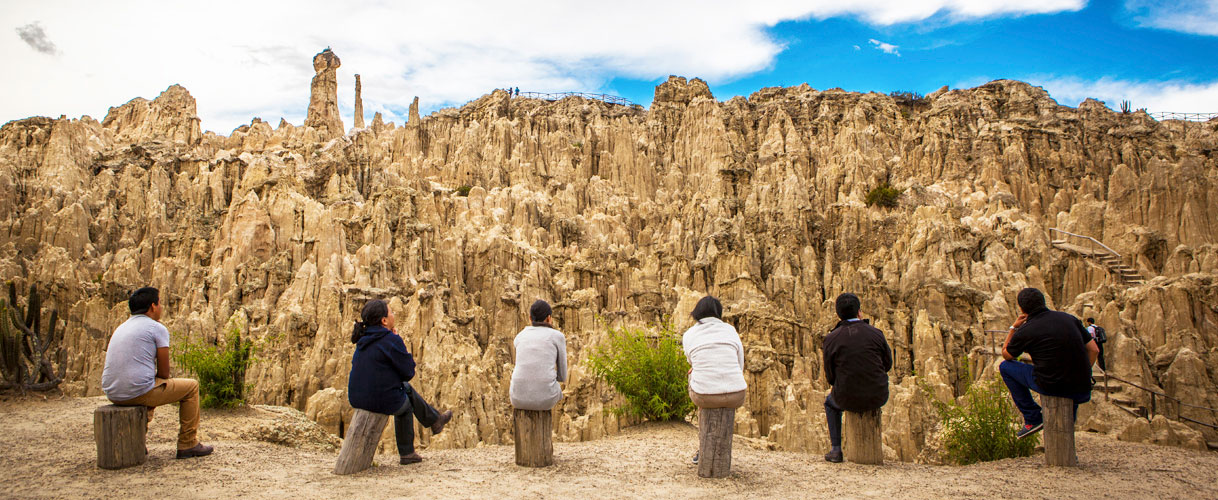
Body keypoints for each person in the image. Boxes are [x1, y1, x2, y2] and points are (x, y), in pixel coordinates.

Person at [101, 287, 213, 459]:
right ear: (153, 306)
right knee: (191, 387)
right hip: (135, 392)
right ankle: (188, 443)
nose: (161, 307)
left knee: (149, 385)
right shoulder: (156, 328)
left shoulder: (121, 327)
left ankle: (137, 440)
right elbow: (164, 372)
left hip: (112, 392)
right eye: (160, 303)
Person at [347, 299, 453, 465]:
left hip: (356, 397)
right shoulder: (389, 339)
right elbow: (408, 371)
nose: (394, 315)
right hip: (376, 399)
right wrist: (398, 339)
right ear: (384, 320)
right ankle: (408, 451)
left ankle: (434, 420)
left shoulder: (364, 338)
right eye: (391, 313)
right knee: (405, 405)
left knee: (406, 389)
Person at [1000, 288, 1098, 439]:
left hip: (1052, 385)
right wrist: (1083, 372)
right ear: (1043, 301)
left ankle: (1032, 416)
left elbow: (1007, 355)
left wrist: (1013, 329)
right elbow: (1094, 350)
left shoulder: (1026, 330)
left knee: (1005, 367)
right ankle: (1065, 450)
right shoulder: (1069, 319)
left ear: (1022, 308)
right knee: (1069, 379)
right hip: (1082, 389)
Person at [821, 292, 892, 463]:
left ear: (838, 315)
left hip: (845, 398)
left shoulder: (831, 339)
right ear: (860, 312)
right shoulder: (876, 333)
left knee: (830, 403)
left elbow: (830, 377)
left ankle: (836, 450)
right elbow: (887, 365)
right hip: (878, 395)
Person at [682, 295, 747, 464]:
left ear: (696, 313)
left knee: (693, 374)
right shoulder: (730, 330)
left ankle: (702, 449)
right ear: (718, 313)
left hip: (704, 396)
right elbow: (740, 364)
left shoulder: (689, 334)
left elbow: (693, 362)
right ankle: (720, 450)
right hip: (737, 394)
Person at [509, 300, 568, 411]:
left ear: (530, 318)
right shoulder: (557, 336)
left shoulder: (520, 336)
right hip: (546, 400)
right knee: (558, 390)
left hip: (516, 398)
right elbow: (562, 376)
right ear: (549, 318)